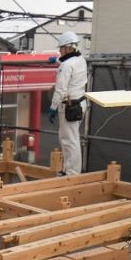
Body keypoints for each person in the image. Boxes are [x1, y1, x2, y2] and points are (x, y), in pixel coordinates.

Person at [47, 31, 88, 176]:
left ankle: (72, 173)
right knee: (69, 138)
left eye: (61, 49)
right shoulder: (80, 60)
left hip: (69, 105)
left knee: (69, 140)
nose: (60, 51)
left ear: (67, 48)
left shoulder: (66, 66)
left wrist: (53, 107)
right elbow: (69, 62)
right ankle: (68, 169)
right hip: (79, 103)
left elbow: (60, 90)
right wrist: (57, 60)